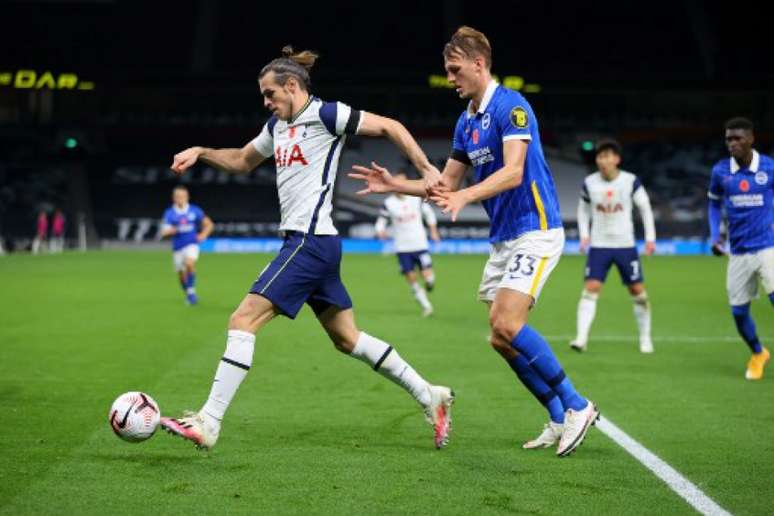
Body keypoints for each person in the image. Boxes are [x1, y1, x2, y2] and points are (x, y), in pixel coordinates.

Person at [159, 47, 454, 451]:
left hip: (309, 243)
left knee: (243, 319)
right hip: (317, 244)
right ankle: (429, 394)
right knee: (347, 338)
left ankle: (209, 421)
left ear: (292, 86)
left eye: (270, 94)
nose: (266, 102)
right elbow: (243, 160)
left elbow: (391, 126)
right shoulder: (276, 126)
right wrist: (202, 151)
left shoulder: (326, 115)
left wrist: (425, 169)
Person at [350, 27, 597, 457]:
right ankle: (558, 417)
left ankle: (578, 405)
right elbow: (445, 184)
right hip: (503, 238)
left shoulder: (512, 106)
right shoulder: (467, 121)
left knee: (507, 324)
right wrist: (395, 185)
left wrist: (464, 196)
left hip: (535, 228)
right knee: (500, 338)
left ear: (479, 63)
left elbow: (515, 171)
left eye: (454, 69)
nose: (449, 78)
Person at [571, 139, 656, 354]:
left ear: (616, 159)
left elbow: (645, 208)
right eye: (600, 157)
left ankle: (645, 338)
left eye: (607, 156)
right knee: (591, 289)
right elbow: (582, 211)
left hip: (625, 245)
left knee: (637, 291)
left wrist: (650, 238)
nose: (603, 161)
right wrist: (584, 236)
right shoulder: (589, 182)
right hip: (599, 246)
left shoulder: (630, 181)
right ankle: (581, 338)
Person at [708, 117, 774, 380]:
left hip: (767, 247)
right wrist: (715, 236)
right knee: (738, 312)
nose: (732, 143)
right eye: (728, 139)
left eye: (738, 138)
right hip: (737, 252)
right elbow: (713, 204)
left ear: (751, 139)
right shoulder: (721, 171)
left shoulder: (769, 167)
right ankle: (758, 353)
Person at [375, 171, 441, 317]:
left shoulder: (416, 199)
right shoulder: (388, 203)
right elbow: (381, 221)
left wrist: (434, 231)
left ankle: (430, 282)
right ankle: (426, 306)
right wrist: (380, 231)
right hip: (402, 247)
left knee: (427, 275)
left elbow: (429, 214)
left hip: (420, 244)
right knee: (411, 278)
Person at [160, 186, 214, 305]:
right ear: (173, 198)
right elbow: (163, 232)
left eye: (183, 196)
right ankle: (189, 293)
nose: (180, 199)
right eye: (178, 196)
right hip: (177, 247)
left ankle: (191, 293)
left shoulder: (195, 210)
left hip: (192, 244)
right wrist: (170, 231)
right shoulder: (170, 213)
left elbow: (209, 224)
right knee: (181, 274)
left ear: (187, 197)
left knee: (189, 263)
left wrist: (203, 234)